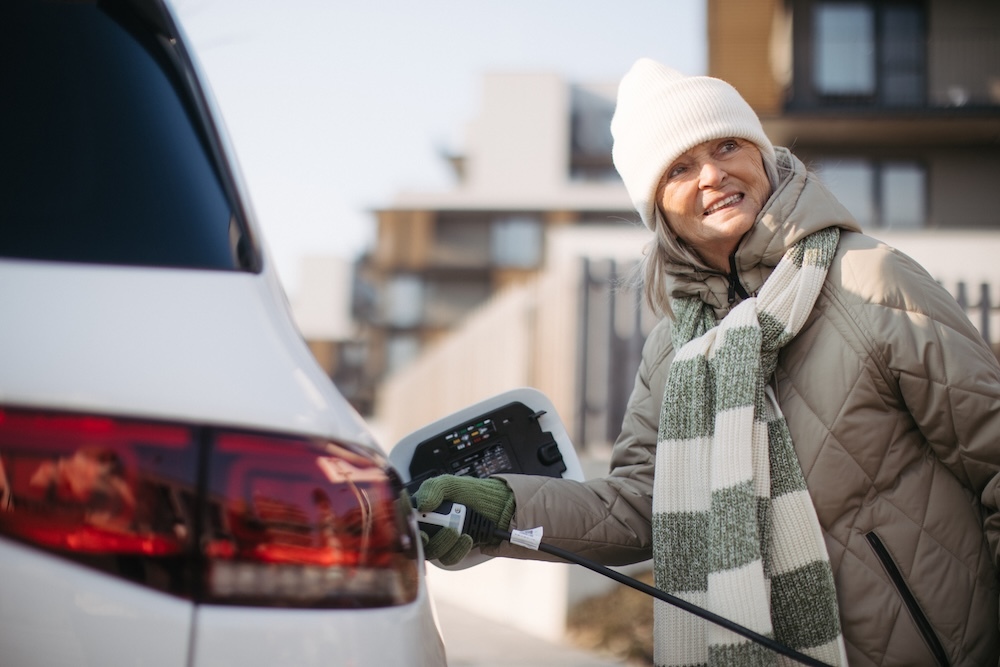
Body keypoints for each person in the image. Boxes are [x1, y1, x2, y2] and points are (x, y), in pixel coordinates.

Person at [414, 58, 1000, 666]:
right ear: (659, 204)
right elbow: (641, 504)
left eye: (727, 145)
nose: (713, 175)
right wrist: (505, 508)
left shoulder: (867, 279)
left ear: (762, 155)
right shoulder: (675, 348)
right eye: (680, 167)